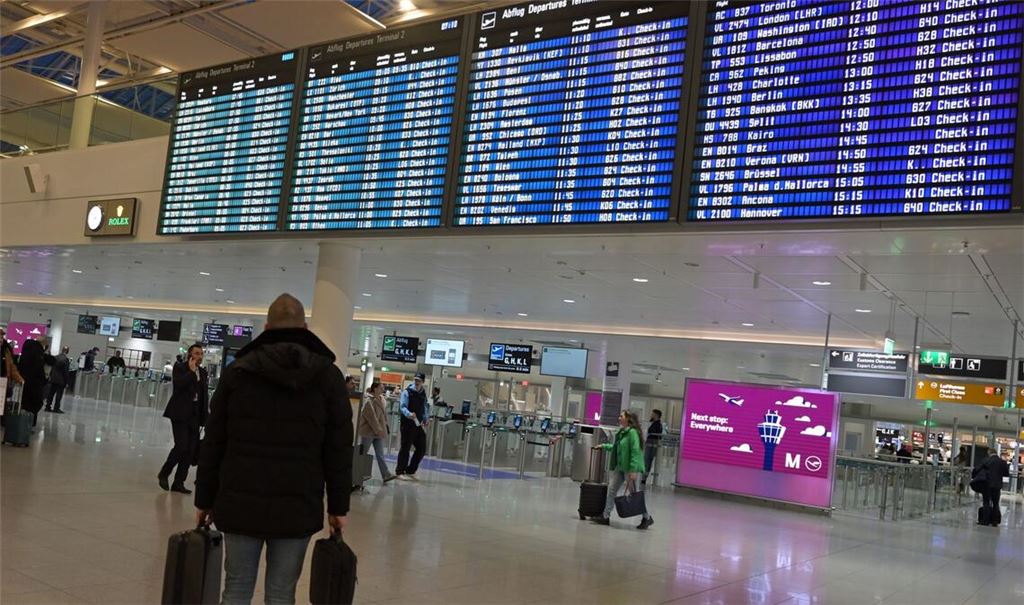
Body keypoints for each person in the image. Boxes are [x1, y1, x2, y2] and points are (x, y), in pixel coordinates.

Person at [195, 293, 352, 605]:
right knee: (282, 593)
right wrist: (338, 507)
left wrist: (204, 498)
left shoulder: (238, 371)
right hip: (298, 503)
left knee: (236, 587)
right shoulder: (328, 377)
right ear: (305, 327)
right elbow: (339, 448)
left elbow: (214, 440)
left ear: (266, 327)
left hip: (240, 499)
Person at [158, 344, 209, 494]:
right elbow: (179, 385)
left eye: (201, 354)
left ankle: (179, 482)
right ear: (190, 354)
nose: (199, 356)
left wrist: (205, 417)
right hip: (180, 414)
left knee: (190, 451)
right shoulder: (180, 367)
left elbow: (203, 396)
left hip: (195, 416)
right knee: (181, 446)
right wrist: (192, 373)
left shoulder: (203, 372)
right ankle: (164, 473)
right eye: (196, 353)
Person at [592, 410, 654, 530]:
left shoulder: (632, 433)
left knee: (634, 495)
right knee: (611, 489)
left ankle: (646, 517)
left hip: (630, 469)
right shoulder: (621, 432)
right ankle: (605, 516)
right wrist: (604, 446)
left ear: (628, 419)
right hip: (620, 467)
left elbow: (635, 452)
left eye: (621, 416)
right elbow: (617, 448)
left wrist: (633, 470)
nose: (619, 417)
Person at [358, 381, 396, 483]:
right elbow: (372, 418)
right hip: (368, 432)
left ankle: (386, 474)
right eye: (381, 388)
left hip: (378, 432)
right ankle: (356, 473)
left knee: (380, 454)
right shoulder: (368, 401)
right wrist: (379, 430)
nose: (383, 390)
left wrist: (385, 426)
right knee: (363, 453)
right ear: (375, 388)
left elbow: (382, 416)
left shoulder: (381, 399)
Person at [395, 372, 429, 481]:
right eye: (415, 380)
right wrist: (409, 414)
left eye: (419, 380)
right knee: (405, 447)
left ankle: (410, 470)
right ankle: (400, 471)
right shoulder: (407, 392)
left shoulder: (423, 393)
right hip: (408, 424)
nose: (417, 381)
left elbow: (424, 407)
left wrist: (425, 418)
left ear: (423, 381)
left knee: (421, 448)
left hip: (418, 424)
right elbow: (403, 406)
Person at [975, 450, 1011, 527]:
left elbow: (977, 469)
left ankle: (985, 521)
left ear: (989, 453)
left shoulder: (986, 460)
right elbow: (1006, 474)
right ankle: (995, 522)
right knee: (995, 503)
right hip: (997, 486)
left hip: (986, 484)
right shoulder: (1002, 462)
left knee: (986, 502)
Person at [16, 339, 47, 428]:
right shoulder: (38, 355)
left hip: (24, 382)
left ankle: (21, 423)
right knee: (34, 404)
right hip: (35, 385)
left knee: (24, 403)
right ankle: (30, 423)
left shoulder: (24, 354)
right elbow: (39, 370)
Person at [44, 346, 71, 413]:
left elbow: (52, 368)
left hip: (53, 379)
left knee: (51, 393)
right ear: (67, 351)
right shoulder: (65, 360)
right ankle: (56, 408)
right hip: (61, 380)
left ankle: (48, 406)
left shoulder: (55, 357)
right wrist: (66, 381)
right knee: (59, 395)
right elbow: (65, 372)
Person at [641, 409, 663, 486]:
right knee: (646, 460)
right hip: (649, 443)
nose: (651, 415)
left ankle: (643, 478)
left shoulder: (658, 424)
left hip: (652, 443)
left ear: (656, 415)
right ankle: (643, 477)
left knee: (647, 460)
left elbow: (656, 434)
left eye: (652, 414)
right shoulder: (652, 422)